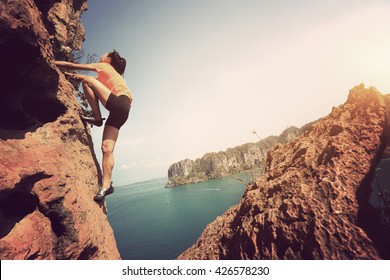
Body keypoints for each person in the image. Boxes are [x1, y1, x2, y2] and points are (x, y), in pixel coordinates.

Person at [55, 50, 132, 202]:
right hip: (122, 111)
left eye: (104, 55)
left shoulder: (104, 66)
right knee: (106, 148)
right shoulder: (108, 76)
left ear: (108, 59)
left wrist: (50, 62)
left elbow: (72, 65)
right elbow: (89, 80)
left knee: (87, 81)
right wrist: (75, 77)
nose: (101, 56)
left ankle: (97, 118)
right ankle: (106, 186)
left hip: (121, 103)